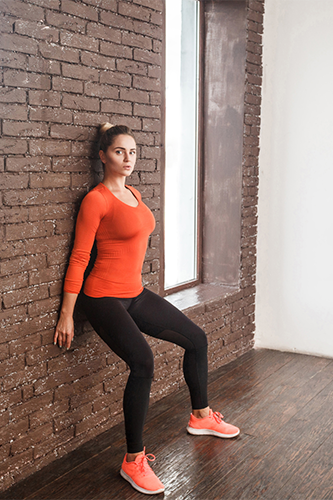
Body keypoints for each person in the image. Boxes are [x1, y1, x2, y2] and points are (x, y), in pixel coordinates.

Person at [53, 123, 240, 495]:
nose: (127, 158)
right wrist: (67, 313)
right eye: (119, 151)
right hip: (102, 296)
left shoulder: (134, 193)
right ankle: (133, 459)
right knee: (143, 363)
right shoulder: (97, 200)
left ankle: (201, 416)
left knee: (197, 340)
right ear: (103, 155)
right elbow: (78, 258)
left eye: (133, 152)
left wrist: (111, 131)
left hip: (134, 292)